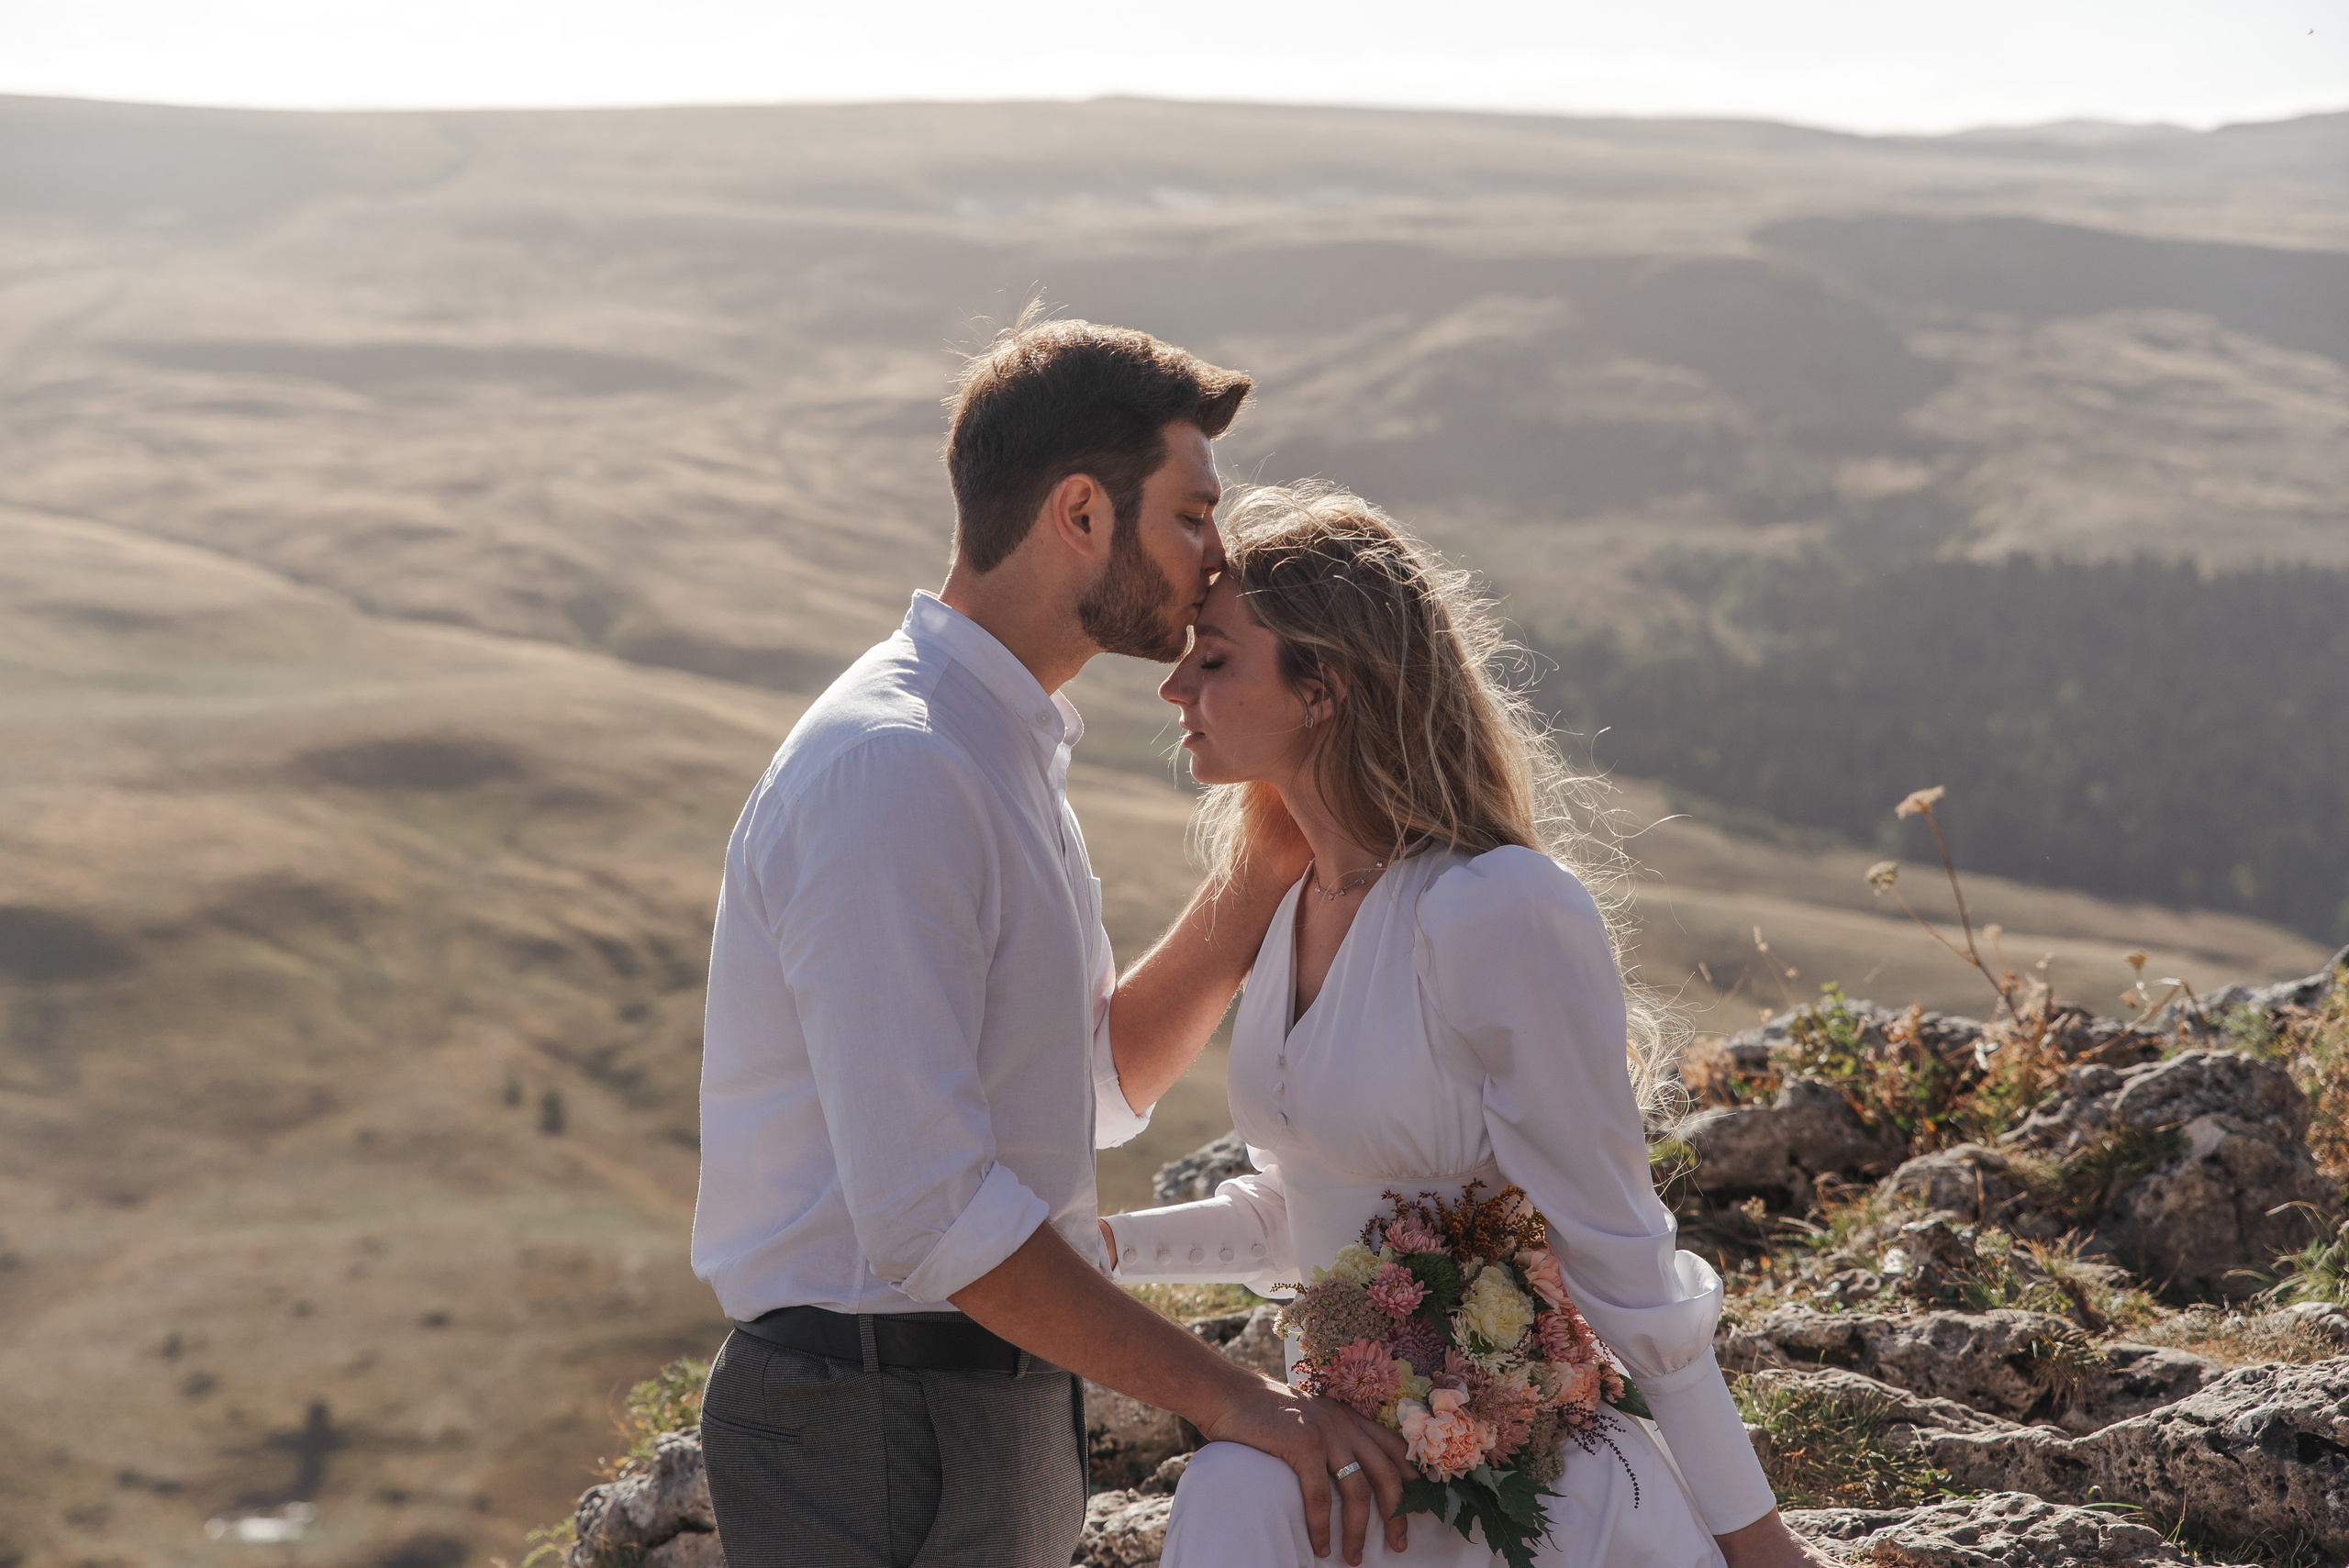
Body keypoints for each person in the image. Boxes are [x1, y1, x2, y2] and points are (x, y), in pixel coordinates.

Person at [690, 316, 1412, 1568]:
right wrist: (1237, 1400)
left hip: (984, 1390)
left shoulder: (994, 747)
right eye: (1191, 514)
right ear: (1082, 512)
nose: (1216, 555)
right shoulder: (895, 768)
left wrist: (1260, 876)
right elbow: (928, 1210)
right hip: (870, 1411)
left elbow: (1082, 1092)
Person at [1100, 484, 1837, 1567]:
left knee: (1245, 1489)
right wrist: (1092, 1250)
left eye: (1213, 659)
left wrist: (1758, 1541)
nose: (1173, 686)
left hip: (1520, 1488)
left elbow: (1618, 1249)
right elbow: (1304, 1208)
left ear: (1323, 688)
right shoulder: (1291, 900)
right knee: (1237, 1483)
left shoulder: (1495, 908)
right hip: (1364, 1445)